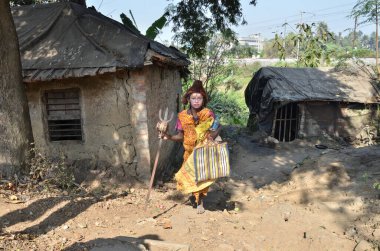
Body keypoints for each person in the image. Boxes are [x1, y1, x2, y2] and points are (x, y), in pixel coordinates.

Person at [158, 80, 221, 214]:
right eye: (193, 98)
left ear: (203, 99)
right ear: (188, 99)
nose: (196, 101)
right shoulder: (182, 116)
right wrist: (168, 137)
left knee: (202, 177)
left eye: (199, 98)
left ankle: (200, 201)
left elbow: (216, 128)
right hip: (189, 152)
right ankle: (194, 195)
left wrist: (211, 136)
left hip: (204, 151)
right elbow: (180, 136)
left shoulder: (208, 114)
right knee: (191, 177)